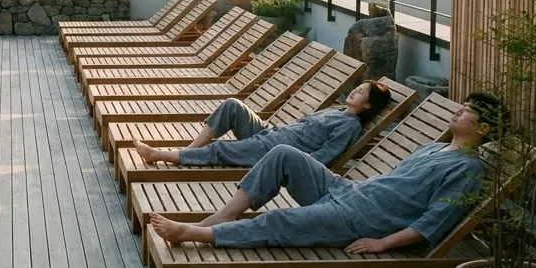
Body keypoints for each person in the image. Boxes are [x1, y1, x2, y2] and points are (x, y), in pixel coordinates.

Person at [149, 92, 508, 254]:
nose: (458, 111)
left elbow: (434, 221)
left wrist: (382, 243)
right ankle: (223, 217)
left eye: (468, 111)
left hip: (361, 219)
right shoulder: (433, 147)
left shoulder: (468, 170)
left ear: (485, 129)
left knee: (283, 222)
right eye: (461, 107)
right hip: (349, 191)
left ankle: (197, 235)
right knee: (283, 153)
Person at [134, 80, 393, 169]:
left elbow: (324, 157)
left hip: (278, 149)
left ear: (368, 105)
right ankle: (188, 151)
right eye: (357, 88)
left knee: (222, 151)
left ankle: (159, 155)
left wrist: (287, 161)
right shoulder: (337, 110)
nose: (354, 92)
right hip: (272, 133)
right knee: (232, 105)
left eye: (361, 92)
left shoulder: (350, 126)